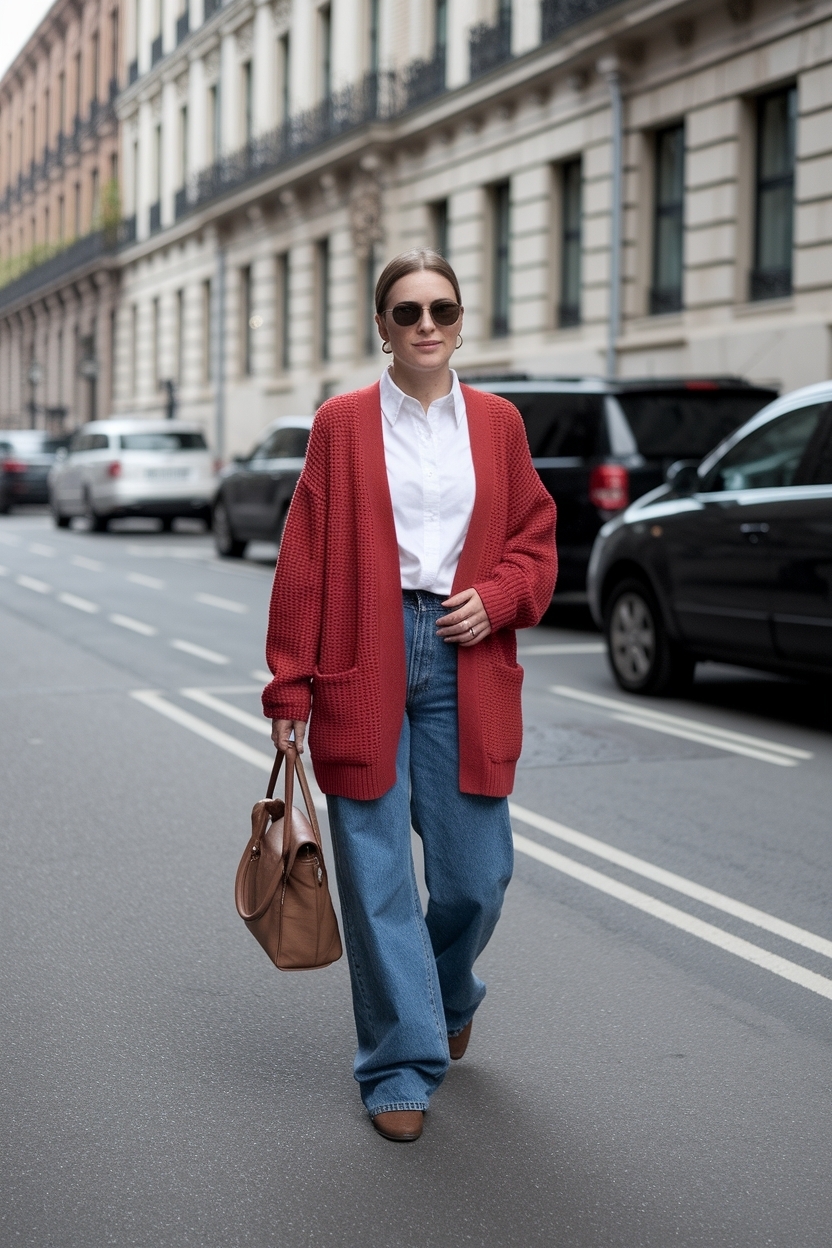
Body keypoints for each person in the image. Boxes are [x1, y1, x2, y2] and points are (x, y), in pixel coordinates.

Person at [262, 249, 556, 1142]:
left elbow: (536, 539)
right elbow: (304, 559)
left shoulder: (498, 424)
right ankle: (398, 1063)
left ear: (461, 323)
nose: (426, 325)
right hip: (363, 650)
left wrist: (498, 597)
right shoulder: (340, 424)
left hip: (469, 656)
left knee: (477, 876)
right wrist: (289, 689)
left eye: (442, 310)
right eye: (407, 312)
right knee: (377, 875)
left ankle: (446, 993)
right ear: (382, 328)